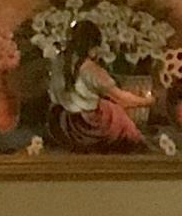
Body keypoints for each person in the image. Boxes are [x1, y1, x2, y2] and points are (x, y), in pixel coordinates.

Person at [46, 16, 153, 151]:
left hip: (60, 124)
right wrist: (147, 101)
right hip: (84, 127)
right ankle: (140, 144)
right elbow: (122, 99)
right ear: (91, 46)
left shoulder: (58, 61)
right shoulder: (91, 70)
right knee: (114, 111)